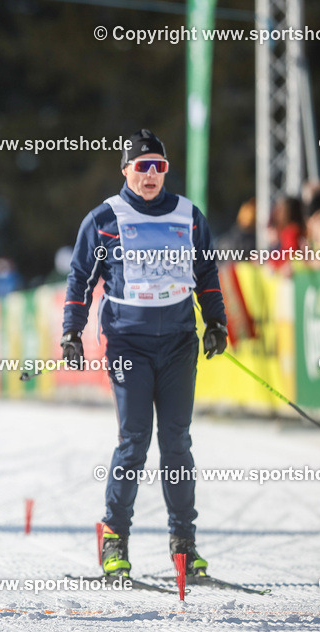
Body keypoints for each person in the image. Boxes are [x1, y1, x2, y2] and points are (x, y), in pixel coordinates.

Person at [61, 129, 227, 578]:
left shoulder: (188, 215)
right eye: (142, 166)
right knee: (134, 441)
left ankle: (184, 546)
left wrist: (216, 322)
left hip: (177, 343)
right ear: (126, 171)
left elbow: (207, 271)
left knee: (177, 443)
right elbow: (80, 278)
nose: (151, 174)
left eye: (159, 166)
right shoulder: (104, 219)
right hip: (128, 344)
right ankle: (115, 539)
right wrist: (71, 333)